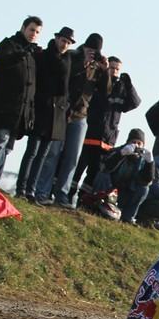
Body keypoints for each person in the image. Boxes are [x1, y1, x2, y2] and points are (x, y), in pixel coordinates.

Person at [35, 32, 107, 208]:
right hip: (62, 110)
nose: (92, 53)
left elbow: (105, 91)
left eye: (95, 51)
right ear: (84, 47)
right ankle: (42, 192)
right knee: (53, 153)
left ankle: (62, 194)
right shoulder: (72, 56)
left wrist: (105, 71)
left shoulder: (98, 66)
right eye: (90, 49)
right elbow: (65, 78)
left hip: (81, 114)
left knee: (72, 157)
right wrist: (83, 64)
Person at [71, 55, 141, 202]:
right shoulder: (97, 82)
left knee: (94, 172)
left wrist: (129, 85)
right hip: (90, 133)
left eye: (117, 69)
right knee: (77, 167)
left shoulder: (122, 88)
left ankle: (83, 199)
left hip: (107, 138)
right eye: (112, 68)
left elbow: (134, 103)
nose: (114, 71)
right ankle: (67, 194)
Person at [14, 27, 73, 200]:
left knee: (43, 154)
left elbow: (66, 87)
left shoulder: (68, 60)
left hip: (57, 114)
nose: (65, 45)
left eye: (68, 43)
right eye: (63, 40)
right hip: (41, 109)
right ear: (56, 39)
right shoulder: (43, 55)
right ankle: (21, 189)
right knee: (32, 151)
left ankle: (31, 189)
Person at [0, 16, 42, 187]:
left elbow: (32, 88)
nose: (34, 34)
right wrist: (22, 53)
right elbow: (3, 61)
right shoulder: (8, 45)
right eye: (31, 29)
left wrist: (30, 113)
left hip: (21, 113)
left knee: (8, 147)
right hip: (4, 108)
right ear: (23, 28)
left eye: (37, 32)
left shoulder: (32, 55)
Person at [94, 128, 154, 223]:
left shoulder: (143, 160)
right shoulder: (118, 151)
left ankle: (127, 217)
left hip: (126, 194)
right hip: (110, 192)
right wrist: (121, 154)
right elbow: (106, 166)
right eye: (133, 142)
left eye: (139, 143)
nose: (136, 146)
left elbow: (147, 181)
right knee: (102, 175)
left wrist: (150, 163)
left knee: (144, 189)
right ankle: (99, 206)